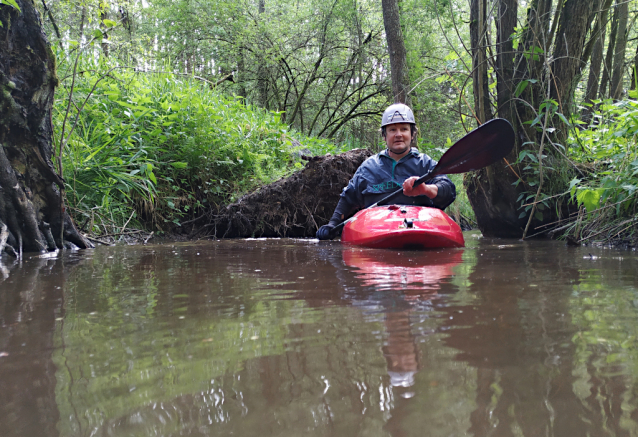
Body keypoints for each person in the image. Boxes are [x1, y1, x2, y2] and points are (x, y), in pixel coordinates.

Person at [316, 103, 456, 240]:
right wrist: (332, 224)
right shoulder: (368, 167)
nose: (398, 134)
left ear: (412, 134)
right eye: (392, 130)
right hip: (375, 230)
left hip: (420, 228)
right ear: (384, 135)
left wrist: (426, 189)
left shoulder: (426, 163)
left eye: (404, 129)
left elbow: (448, 190)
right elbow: (348, 198)